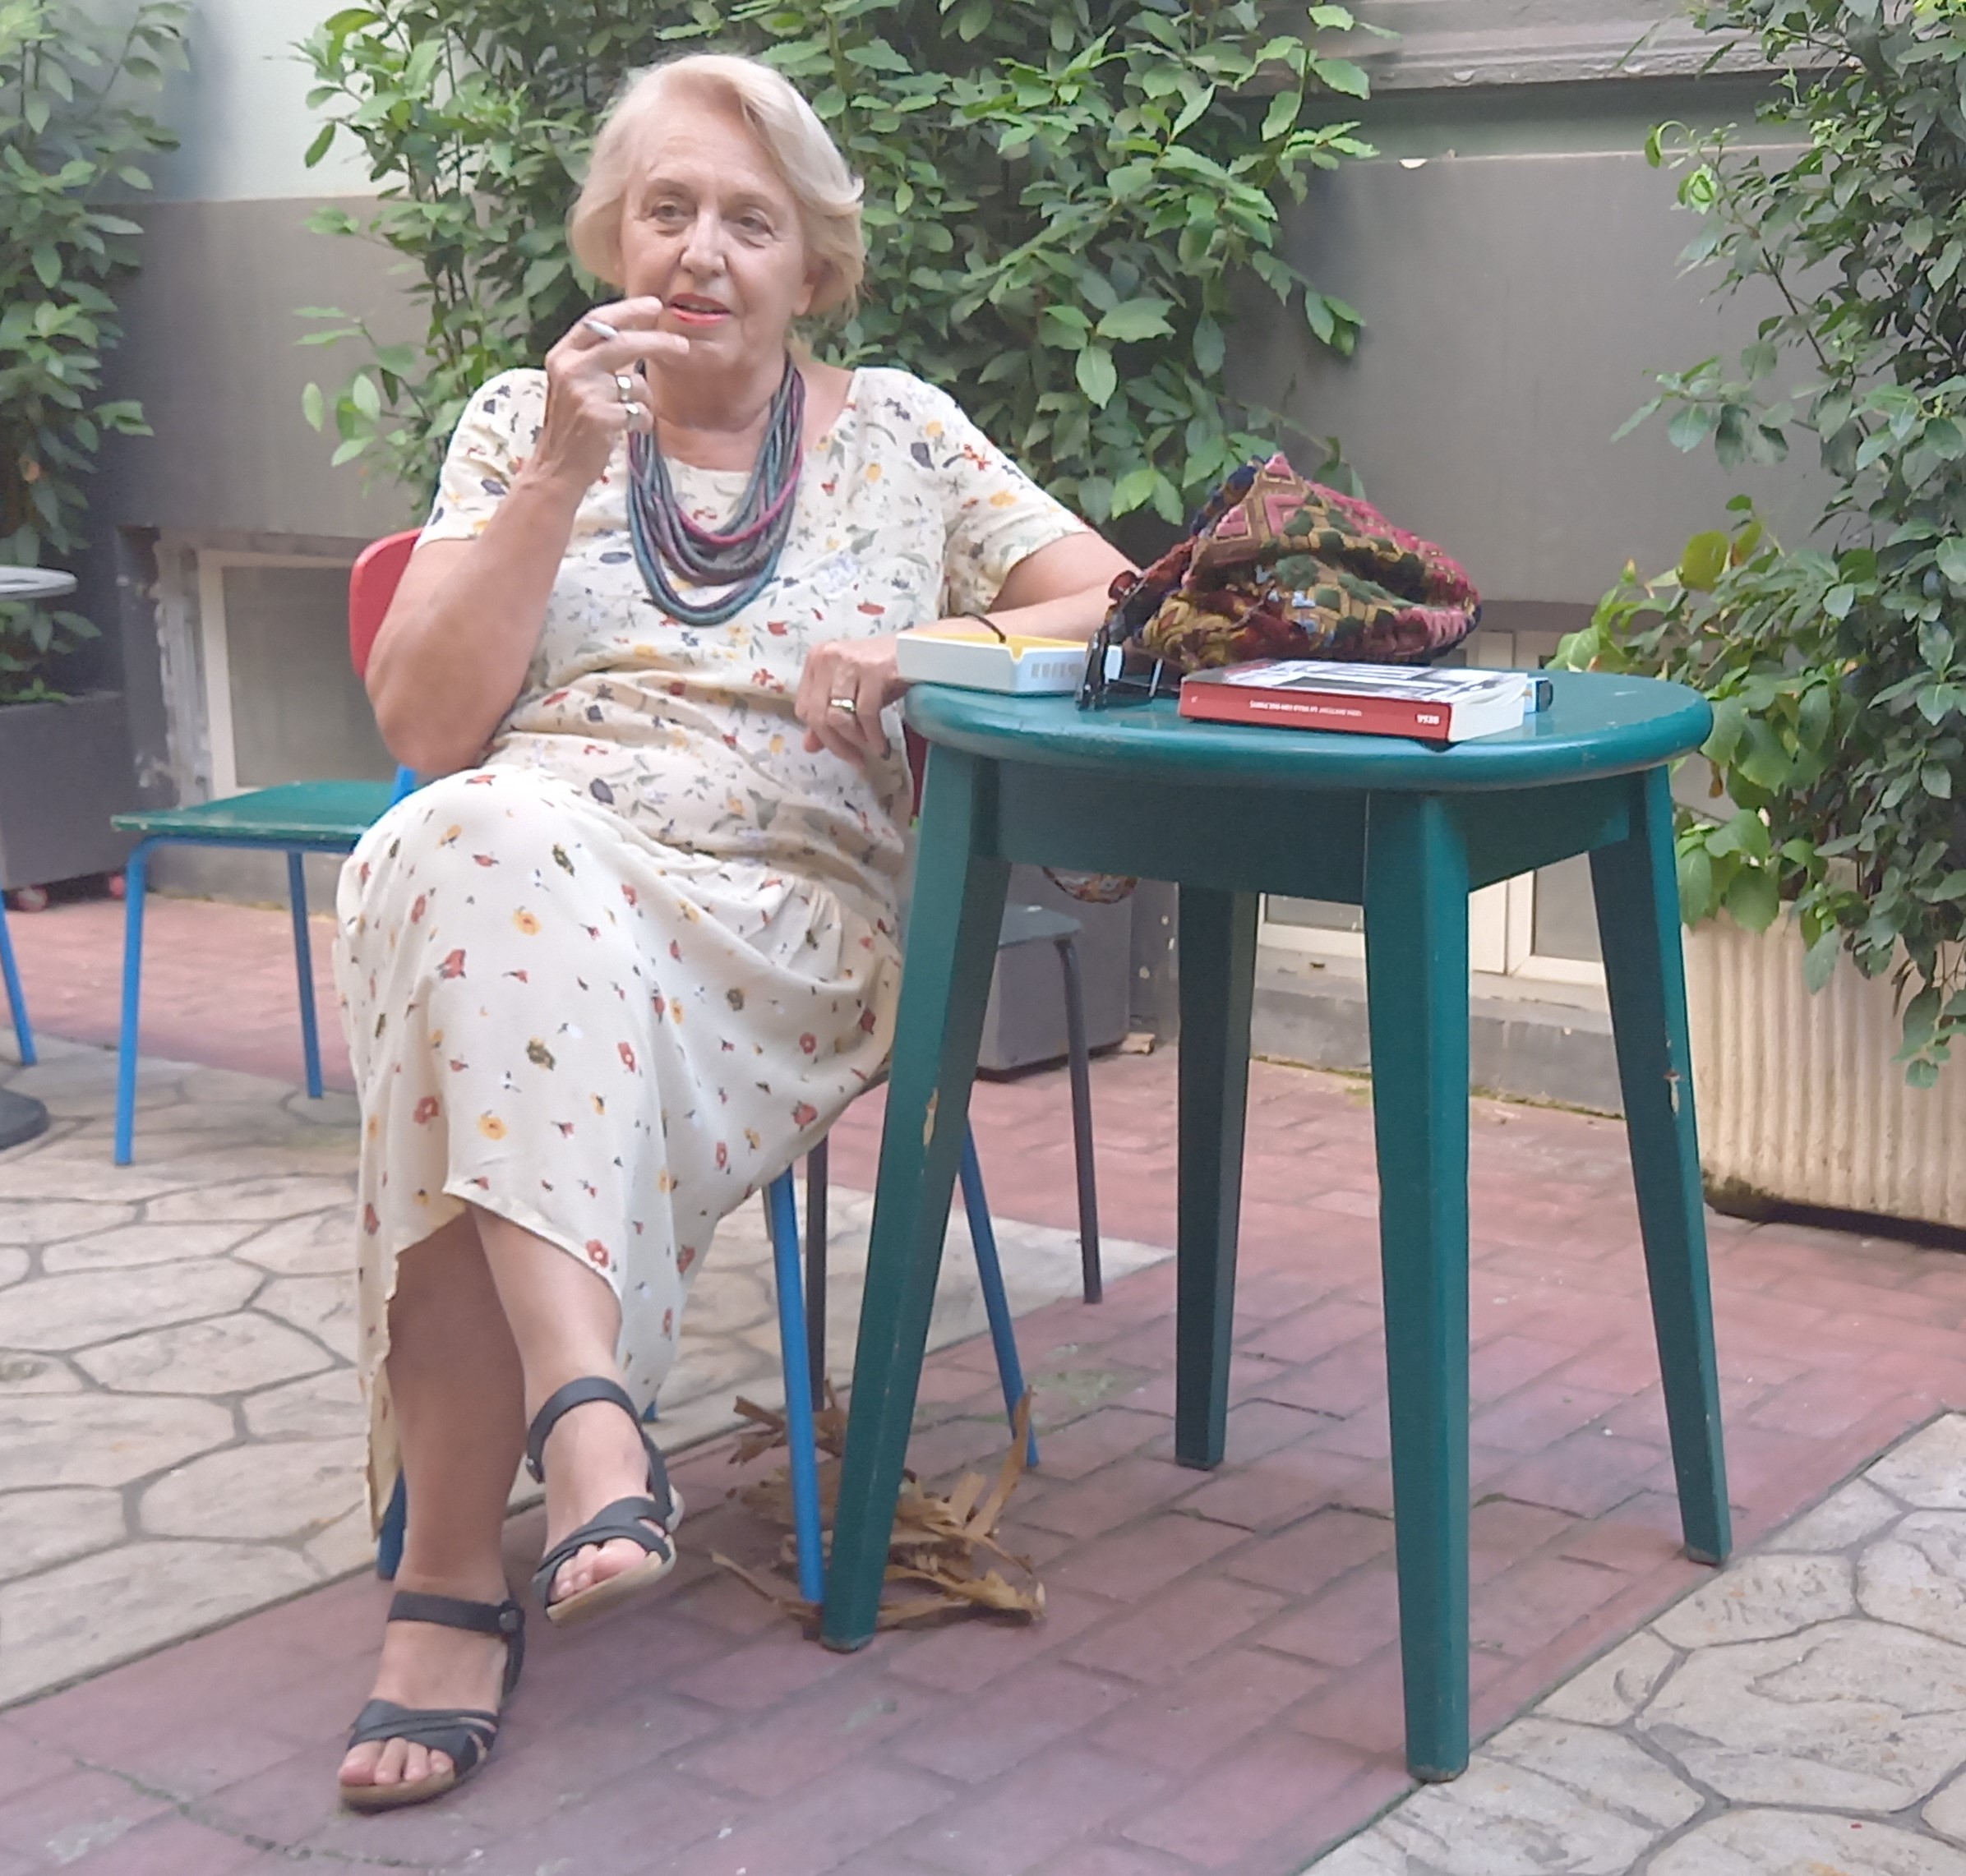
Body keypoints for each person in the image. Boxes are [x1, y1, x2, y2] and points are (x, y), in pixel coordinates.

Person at [331, 50, 1130, 1811]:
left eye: (749, 222)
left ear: (813, 267)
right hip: (526, 867)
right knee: (471, 850)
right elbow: (425, 727)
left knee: (460, 965)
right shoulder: (519, 422)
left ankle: (455, 1576)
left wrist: (922, 650)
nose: (700, 250)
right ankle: (587, 1410)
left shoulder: (904, 433)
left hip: (785, 917)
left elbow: (1116, 600)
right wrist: (560, 472)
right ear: (613, 240)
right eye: (667, 209)